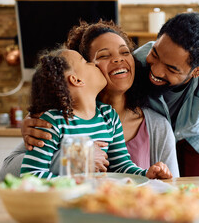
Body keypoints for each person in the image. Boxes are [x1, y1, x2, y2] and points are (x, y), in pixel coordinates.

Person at [14, 7, 199, 179]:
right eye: (155, 54)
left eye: (171, 68)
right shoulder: (129, 67)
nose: (155, 70)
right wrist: (41, 120)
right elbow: (17, 169)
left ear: (197, 71)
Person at [0, 21, 179, 181]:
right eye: (102, 56)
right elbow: (9, 173)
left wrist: (148, 174)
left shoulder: (128, 121)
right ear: (76, 78)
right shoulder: (54, 119)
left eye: (125, 52)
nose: (118, 59)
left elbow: (132, 170)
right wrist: (77, 158)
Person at [20, 48, 172, 180]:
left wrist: (146, 174)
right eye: (86, 62)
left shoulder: (109, 116)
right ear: (76, 80)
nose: (94, 64)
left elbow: (121, 166)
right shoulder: (53, 122)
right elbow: (29, 175)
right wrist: (74, 177)